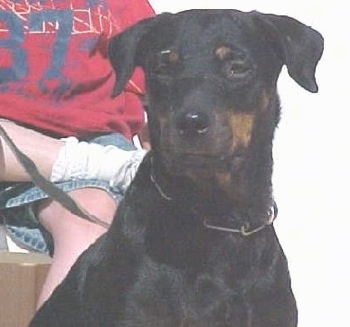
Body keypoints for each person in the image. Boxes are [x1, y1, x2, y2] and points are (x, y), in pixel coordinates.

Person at [0, 0, 154, 308]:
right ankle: (114, 168)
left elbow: (157, 91)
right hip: (11, 140)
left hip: (92, 142)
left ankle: (111, 168)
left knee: (91, 219)